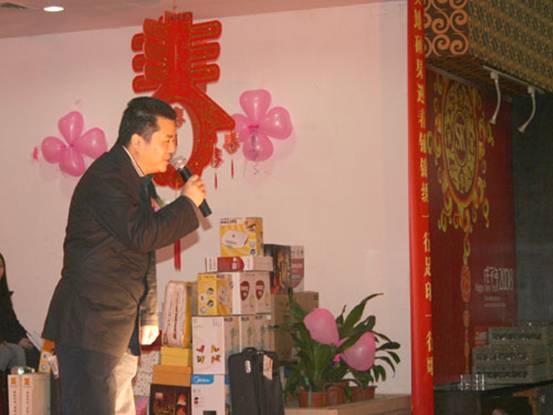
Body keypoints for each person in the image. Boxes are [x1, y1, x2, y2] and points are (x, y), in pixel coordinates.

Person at [42, 97, 206, 415]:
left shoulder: (136, 181)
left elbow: (141, 251)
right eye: (166, 140)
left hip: (116, 323)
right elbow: (141, 234)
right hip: (90, 323)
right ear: (137, 140)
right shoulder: (108, 177)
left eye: (174, 140)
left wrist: (148, 314)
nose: (172, 149)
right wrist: (187, 204)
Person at [0, 253, 35, 371]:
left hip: (9, 340)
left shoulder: (4, 296)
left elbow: (13, 322)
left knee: (38, 355)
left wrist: (25, 336)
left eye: (1, 266)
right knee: (17, 351)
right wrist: (16, 340)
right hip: (6, 341)